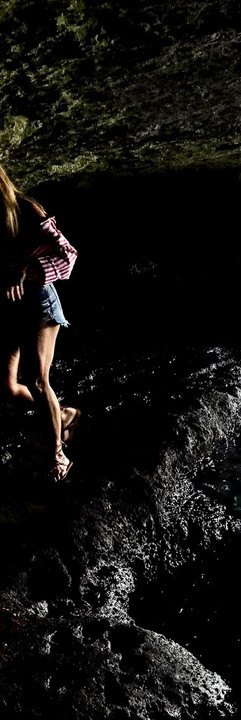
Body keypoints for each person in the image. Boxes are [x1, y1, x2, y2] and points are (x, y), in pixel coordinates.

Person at [1, 164, 79, 482]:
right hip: (8, 307)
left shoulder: (25, 209)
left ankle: (58, 455)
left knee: (37, 380)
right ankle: (61, 415)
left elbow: (68, 257)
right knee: (6, 387)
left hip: (38, 303)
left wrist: (26, 266)